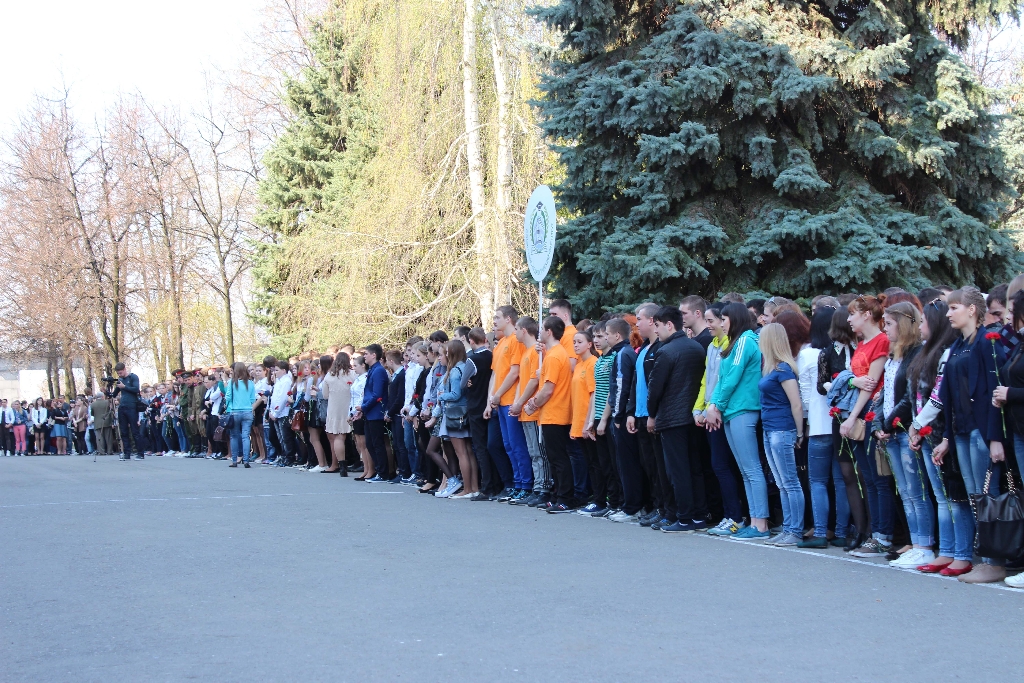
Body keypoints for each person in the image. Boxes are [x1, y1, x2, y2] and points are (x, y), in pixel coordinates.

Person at [933, 287, 1008, 583]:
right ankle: (985, 557)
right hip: (960, 432)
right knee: (975, 496)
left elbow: (994, 392)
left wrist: (995, 437)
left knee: (988, 495)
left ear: (972, 310)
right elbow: (949, 395)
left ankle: (995, 561)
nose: (948, 314)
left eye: (954, 308)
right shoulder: (956, 345)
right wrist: (947, 437)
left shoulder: (987, 342)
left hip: (981, 431)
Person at [907, 299, 973, 577]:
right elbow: (917, 396)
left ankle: (962, 553)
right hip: (926, 433)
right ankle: (947, 550)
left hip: (941, 432)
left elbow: (937, 398)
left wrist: (917, 424)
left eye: (923, 321)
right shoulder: (927, 352)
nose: (920, 326)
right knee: (941, 497)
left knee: (954, 497)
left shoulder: (946, 353)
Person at [873, 301, 932, 568]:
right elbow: (884, 395)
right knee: (906, 492)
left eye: (888, 324)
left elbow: (909, 398)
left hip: (905, 430)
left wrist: (887, 424)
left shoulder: (916, 354)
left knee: (917, 492)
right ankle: (916, 543)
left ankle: (925, 545)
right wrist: (877, 424)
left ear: (905, 324)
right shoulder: (893, 355)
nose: (884, 329)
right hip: (890, 431)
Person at [705, 303, 769, 538]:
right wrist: (714, 406)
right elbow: (722, 379)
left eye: (724, 319)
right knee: (744, 470)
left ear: (735, 319)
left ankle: (760, 524)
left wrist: (716, 406)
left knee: (752, 469)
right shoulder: (734, 343)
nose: (721, 323)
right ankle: (754, 521)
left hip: (743, 409)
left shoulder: (745, 341)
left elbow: (733, 376)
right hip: (732, 410)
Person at [646, 305, 709, 532]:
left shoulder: (666, 351)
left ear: (669, 325)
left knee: (678, 471)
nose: (656, 331)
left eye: (658, 326)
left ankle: (684, 518)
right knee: (695, 468)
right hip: (694, 416)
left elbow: (655, 389)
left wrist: (651, 414)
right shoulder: (696, 347)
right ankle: (699, 516)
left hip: (672, 418)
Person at [840, 295, 894, 557]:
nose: (849, 319)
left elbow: (871, 384)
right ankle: (876, 533)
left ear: (866, 315)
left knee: (879, 479)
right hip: (860, 414)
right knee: (868, 479)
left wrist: (851, 417)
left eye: (853, 314)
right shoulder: (862, 343)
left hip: (872, 414)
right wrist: (853, 382)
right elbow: (855, 379)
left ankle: (884, 535)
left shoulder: (881, 341)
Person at [695, 302, 747, 536]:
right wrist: (698, 409)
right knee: (718, 466)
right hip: (710, 412)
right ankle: (729, 514)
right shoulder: (712, 345)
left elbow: (726, 383)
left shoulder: (731, 344)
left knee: (724, 466)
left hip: (721, 414)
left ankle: (736, 516)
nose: (708, 325)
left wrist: (713, 409)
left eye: (712, 321)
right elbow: (706, 381)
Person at [802, 305, 850, 548]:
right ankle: (841, 531)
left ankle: (821, 531)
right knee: (841, 480)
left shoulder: (809, 355)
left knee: (818, 481)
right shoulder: (847, 352)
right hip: (841, 422)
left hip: (819, 424)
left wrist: (804, 422)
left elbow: (805, 393)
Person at [756, 323, 806, 545]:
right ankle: (788, 528)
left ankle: (795, 530)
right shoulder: (772, 368)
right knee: (782, 483)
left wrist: (799, 432)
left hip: (781, 429)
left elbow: (796, 403)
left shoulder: (783, 369)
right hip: (771, 429)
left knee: (789, 482)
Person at [526, 316, 575, 513]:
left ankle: (565, 498)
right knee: (554, 458)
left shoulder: (555, 356)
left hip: (555, 412)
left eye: (541, 329)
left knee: (558, 458)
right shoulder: (553, 353)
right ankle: (557, 495)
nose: (539, 332)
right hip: (552, 413)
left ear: (549, 332)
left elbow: (548, 389)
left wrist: (533, 404)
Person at [487, 305, 533, 498]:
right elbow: (495, 373)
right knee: (508, 445)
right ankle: (517, 482)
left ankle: (525, 484)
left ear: (508, 319)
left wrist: (498, 394)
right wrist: (490, 399)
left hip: (510, 400)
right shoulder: (500, 344)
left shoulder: (515, 340)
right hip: (499, 401)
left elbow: (515, 372)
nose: (494, 321)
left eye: (497, 317)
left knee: (517, 445)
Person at [509, 316, 549, 506]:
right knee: (533, 452)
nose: (515, 333)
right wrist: (517, 403)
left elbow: (534, 380)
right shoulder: (526, 352)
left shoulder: (535, 352)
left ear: (524, 330)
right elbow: (523, 381)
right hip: (524, 411)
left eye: (516, 329)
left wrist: (521, 402)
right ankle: (537, 486)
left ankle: (543, 487)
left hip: (533, 410)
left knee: (539, 452)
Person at [437, 340, 480, 499]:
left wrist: (442, 396)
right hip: (465, 411)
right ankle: (474, 487)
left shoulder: (455, 371)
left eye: (448, 352)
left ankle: (467, 489)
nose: (446, 354)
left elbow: (455, 394)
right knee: (468, 452)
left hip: (455, 413)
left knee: (461, 453)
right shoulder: (464, 367)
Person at [570, 329, 600, 514]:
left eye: (579, 342)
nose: (575, 345)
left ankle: (598, 498)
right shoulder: (579, 364)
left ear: (589, 344)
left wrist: (588, 422)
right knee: (587, 462)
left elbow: (593, 395)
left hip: (587, 422)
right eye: (574, 342)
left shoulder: (592, 363)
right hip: (578, 420)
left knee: (595, 463)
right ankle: (590, 496)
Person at [358, 344, 391, 481]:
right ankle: (379, 470)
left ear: (374, 355)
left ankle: (383, 473)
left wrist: (364, 407)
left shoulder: (378, 371)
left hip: (376, 412)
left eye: (366, 354)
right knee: (370, 443)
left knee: (377, 444)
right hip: (370, 412)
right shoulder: (373, 370)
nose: (364, 356)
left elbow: (377, 394)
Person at [321, 351, 354, 476]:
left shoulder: (329, 375)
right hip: (349, 408)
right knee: (358, 438)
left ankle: (342, 466)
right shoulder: (352, 374)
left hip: (334, 409)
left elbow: (325, 395)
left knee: (339, 437)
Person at [224, 362, 256, 468]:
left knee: (234, 436)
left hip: (235, 411)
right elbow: (252, 399)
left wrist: (227, 403)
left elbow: (228, 396)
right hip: (247, 411)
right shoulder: (250, 383)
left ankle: (234, 460)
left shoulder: (232, 382)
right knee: (246, 436)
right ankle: (246, 460)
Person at [110, 362, 143, 460]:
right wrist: (107, 391)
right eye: (118, 373)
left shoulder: (133, 377)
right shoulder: (120, 380)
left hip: (132, 406)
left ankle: (140, 453)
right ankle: (127, 453)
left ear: (124, 369)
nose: (119, 375)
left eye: (120, 373)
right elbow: (114, 394)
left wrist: (124, 387)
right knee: (124, 431)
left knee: (134, 430)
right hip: (122, 406)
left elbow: (136, 389)